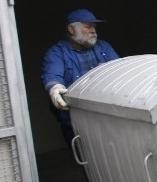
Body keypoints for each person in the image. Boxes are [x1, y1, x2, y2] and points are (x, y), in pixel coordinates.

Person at [41, 9, 120, 148]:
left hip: (106, 116)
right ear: (71, 29)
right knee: (87, 160)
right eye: (88, 27)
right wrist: (55, 88)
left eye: (94, 27)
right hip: (76, 120)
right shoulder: (57, 53)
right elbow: (52, 75)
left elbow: (120, 70)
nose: (93, 31)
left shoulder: (103, 46)